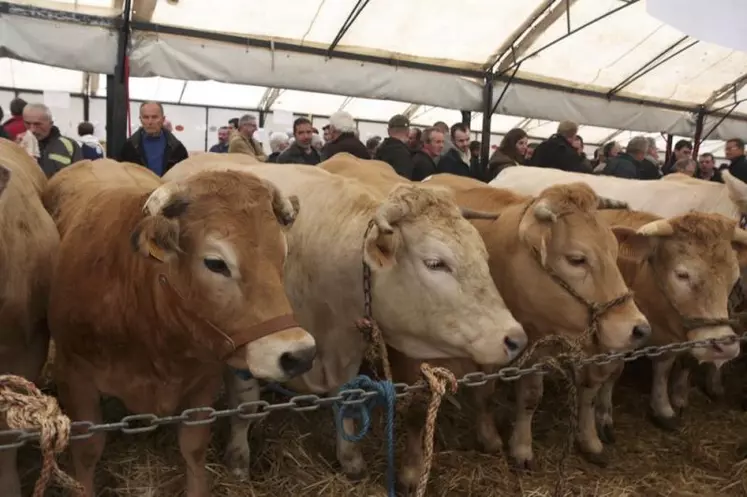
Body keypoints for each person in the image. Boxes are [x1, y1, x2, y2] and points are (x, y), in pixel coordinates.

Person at [119, 101, 189, 176]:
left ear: (163, 119)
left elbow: (185, 176)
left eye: (154, 117)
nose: (150, 122)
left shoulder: (177, 148)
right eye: (146, 117)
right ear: (140, 119)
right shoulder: (129, 148)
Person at [22, 103, 82, 178]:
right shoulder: (19, 144)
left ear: (50, 123)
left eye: (37, 124)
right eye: (27, 123)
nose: (32, 129)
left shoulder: (69, 145)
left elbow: (80, 177)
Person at [375, 114, 416, 179]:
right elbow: (403, 183)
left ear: (388, 131)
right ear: (408, 132)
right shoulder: (403, 154)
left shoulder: (380, 149)